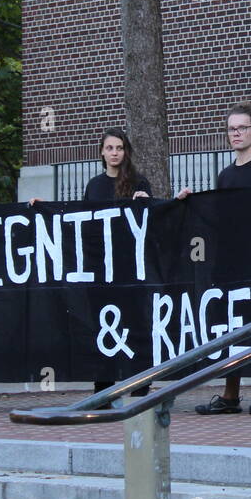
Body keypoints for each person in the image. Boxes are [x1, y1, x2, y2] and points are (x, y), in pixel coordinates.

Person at [193, 102, 251, 416]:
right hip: (229, 263)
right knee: (231, 326)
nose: (236, 134)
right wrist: (188, 205)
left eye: (242, 128)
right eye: (232, 129)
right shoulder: (225, 175)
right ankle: (230, 394)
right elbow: (217, 218)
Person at [84, 128, 151, 406]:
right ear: (102, 152)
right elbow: (82, 222)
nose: (114, 153)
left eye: (119, 148)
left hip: (129, 266)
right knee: (102, 324)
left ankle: (140, 381)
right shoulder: (94, 185)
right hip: (100, 267)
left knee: (134, 321)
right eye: (109, 148)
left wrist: (144, 205)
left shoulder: (139, 182)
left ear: (126, 152)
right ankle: (104, 387)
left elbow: (150, 221)